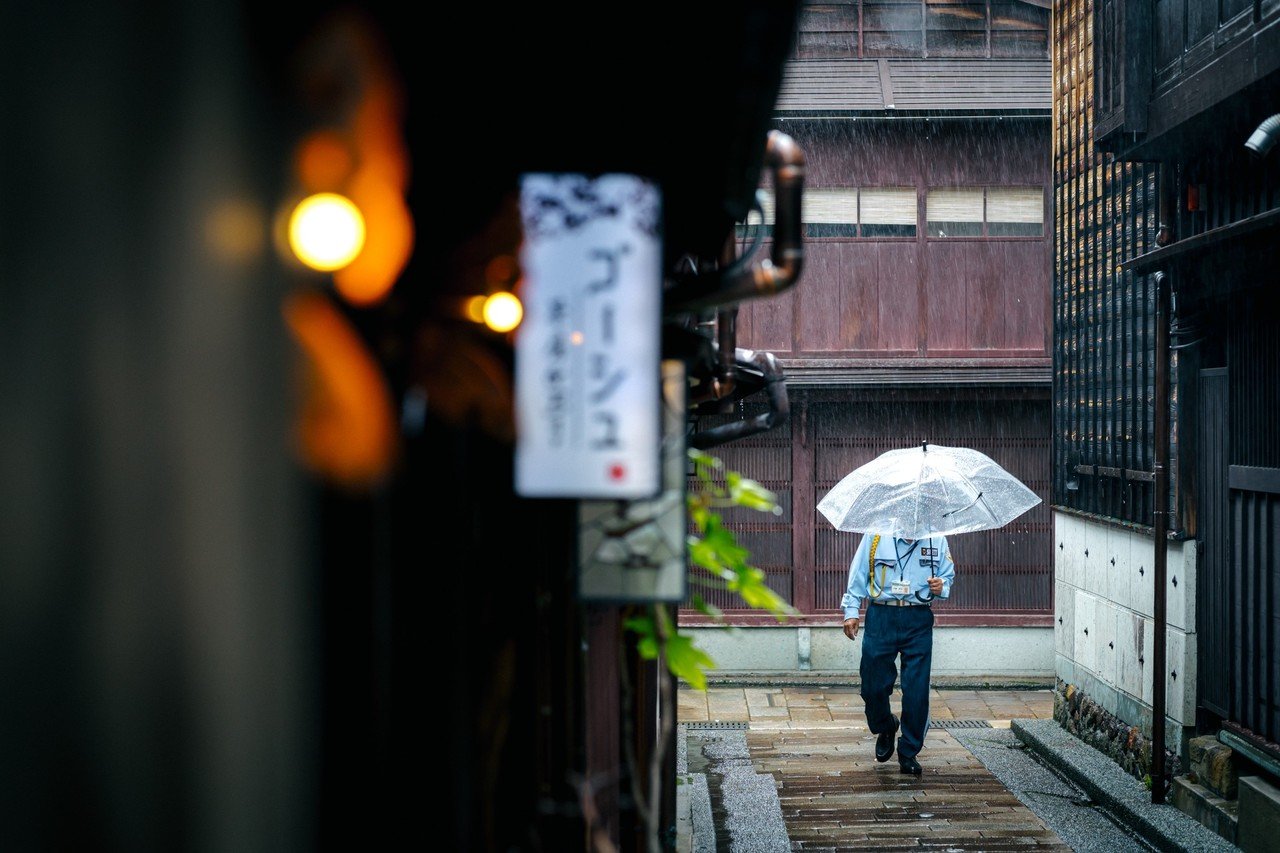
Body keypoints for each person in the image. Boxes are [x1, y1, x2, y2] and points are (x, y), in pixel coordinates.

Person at [840, 532, 955, 776]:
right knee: (872, 685)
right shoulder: (875, 537)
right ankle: (886, 725)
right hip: (881, 615)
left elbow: (948, 575)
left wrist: (941, 585)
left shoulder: (937, 538)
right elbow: (858, 572)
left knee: (916, 688)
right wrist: (851, 611)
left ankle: (909, 751)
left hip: (918, 617)